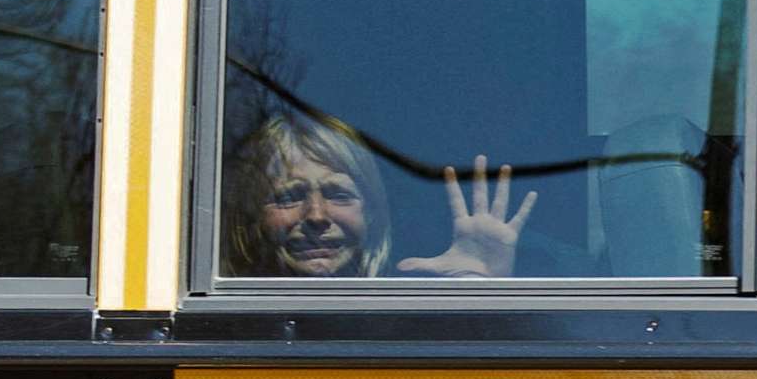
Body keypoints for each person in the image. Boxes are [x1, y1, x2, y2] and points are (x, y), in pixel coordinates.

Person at [223, 112, 536, 280]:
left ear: (371, 215)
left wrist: (476, 283)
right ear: (253, 217)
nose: (316, 215)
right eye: (290, 196)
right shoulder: (222, 325)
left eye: (338, 194)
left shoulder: (405, 313)